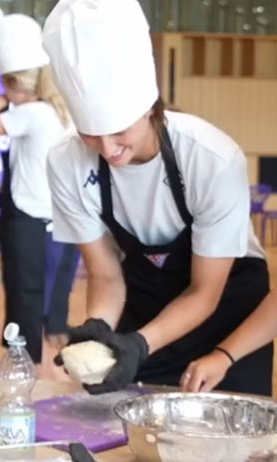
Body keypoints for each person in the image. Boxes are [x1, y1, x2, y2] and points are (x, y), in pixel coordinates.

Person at [44, 0, 272, 395]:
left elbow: (204, 292)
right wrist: (100, 332)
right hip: (148, 312)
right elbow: (105, 274)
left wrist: (138, 344)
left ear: (150, 108)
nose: (108, 149)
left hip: (226, 316)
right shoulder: (66, 163)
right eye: (90, 134)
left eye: (119, 130)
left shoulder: (211, 159)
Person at [0, 14, 79, 374]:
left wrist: (2, 97)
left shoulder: (32, 113)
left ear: (15, 82)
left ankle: (29, 381)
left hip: (28, 223)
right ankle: (50, 381)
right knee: (51, 310)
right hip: (60, 223)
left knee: (25, 304)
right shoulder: (60, 112)